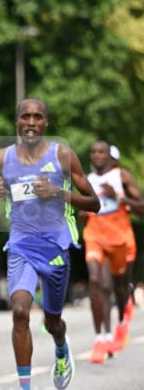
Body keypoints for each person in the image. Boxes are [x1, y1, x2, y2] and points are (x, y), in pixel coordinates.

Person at [0, 99, 99, 390]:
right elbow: (13, 194)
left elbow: (94, 202)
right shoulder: (2, 159)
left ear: (46, 123)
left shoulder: (62, 155)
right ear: (17, 121)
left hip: (55, 247)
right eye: (25, 115)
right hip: (21, 245)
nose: (31, 121)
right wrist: (1, 190)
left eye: (37, 116)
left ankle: (60, 345)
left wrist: (58, 193)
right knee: (21, 311)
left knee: (53, 320)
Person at [83, 139, 144, 362]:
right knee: (97, 281)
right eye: (93, 152)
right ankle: (101, 337)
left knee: (119, 286)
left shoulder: (122, 177)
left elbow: (142, 207)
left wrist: (117, 197)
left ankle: (122, 319)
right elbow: (80, 209)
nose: (97, 156)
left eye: (102, 152)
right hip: (95, 237)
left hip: (120, 239)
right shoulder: (87, 181)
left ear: (110, 156)